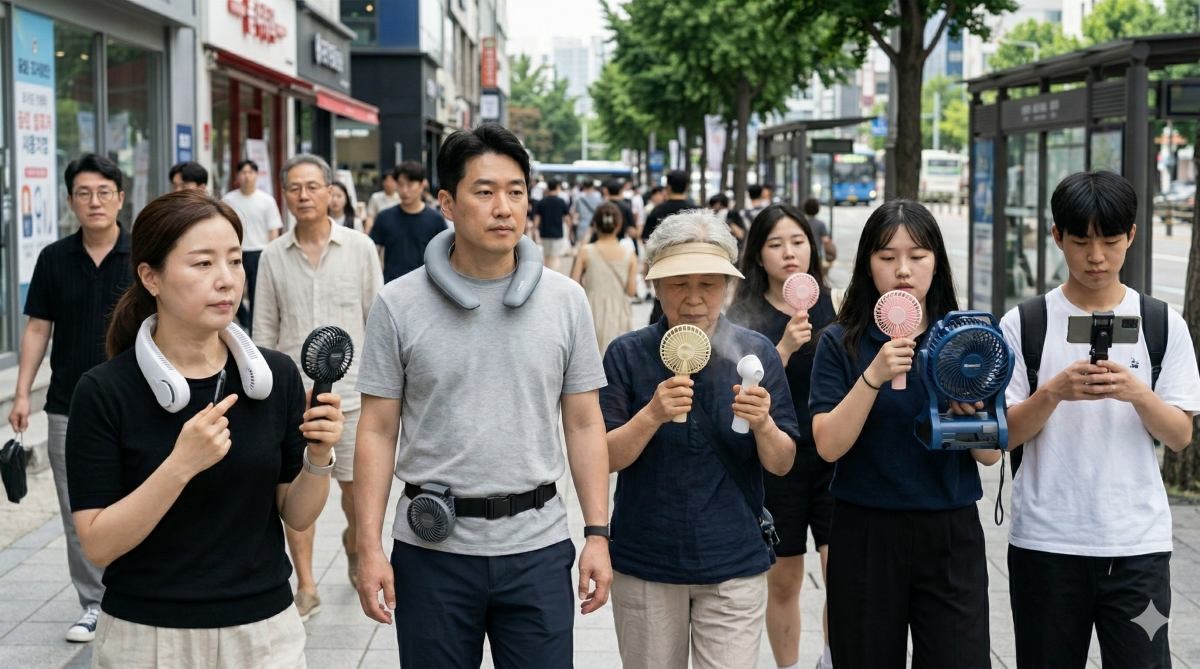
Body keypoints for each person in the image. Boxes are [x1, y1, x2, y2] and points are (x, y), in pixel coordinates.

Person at [353, 124, 613, 667]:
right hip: (431, 552)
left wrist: (596, 533)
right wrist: (369, 546)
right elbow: (376, 429)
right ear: (446, 202)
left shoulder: (567, 301)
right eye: (485, 191)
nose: (504, 208)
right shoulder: (397, 303)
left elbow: (585, 423)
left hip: (538, 548)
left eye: (516, 191)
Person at [65, 189, 345, 666]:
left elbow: (296, 515)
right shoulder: (104, 391)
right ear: (151, 277)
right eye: (202, 264)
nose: (227, 281)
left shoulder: (272, 376)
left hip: (264, 632)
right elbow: (97, 543)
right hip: (147, 636)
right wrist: (180, 465)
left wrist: (318, 459)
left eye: (235, 261)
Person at [1000, 171, 1200, 669]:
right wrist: (1054, 393)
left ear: (1131, 236)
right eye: (1080, 241)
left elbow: (1179, 436)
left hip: (1137, 546)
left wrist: (1137, 394)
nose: (1096, 257)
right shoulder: (1025, 323)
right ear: (1056, 237)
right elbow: (1003, 436)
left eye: (1111, 241)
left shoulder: (1160, 322)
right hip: (1046, 542)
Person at [601, 210, 798, 669]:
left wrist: (765, 424)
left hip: (733, 561)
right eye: (678, 284)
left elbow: (783, 462)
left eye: (708, 284)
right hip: (645, 560)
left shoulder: (756, 353)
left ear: (727, 287)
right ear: (654, 286)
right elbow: (604, 457)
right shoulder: (627, 355)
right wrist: (651, 415)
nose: (693, 300)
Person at [810, 199, 997, 668]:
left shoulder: (965, 337)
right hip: (865, 529)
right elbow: (828, 444)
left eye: (917, 256)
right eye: (887, 257)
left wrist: (964, 413)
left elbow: (991, 455)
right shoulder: (841, 341)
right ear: (867, 266)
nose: (903, 270)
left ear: (937, 262)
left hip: (949, 529)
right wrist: (872, 376)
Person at [253, 154, 383, 622]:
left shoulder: (361, 248)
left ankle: (354, 546)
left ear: (332, 192)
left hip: (350, 401)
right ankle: (305, 584)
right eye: (294, 188)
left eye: (313, 187)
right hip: (290, 405)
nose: (304, 196)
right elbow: (264, 331)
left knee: (354, 492)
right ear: (283, 195)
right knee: (293, 496)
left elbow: (378, 323)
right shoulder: (271, 256)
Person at [7, 154, 132, 643]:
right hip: (68, 404)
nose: (94, 201)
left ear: (121, 198)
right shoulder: (54, 258)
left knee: (140, 494)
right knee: (78, 505)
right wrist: (22, 393)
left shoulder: (143, 252)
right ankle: (96, 602)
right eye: (84, 193)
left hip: (138, 400)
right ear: (70, 202)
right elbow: (38, 326)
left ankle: (136, 590)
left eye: (104, 191)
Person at [726, 203, 836, 669]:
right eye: (776, 245)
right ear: (759, 254)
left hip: (834, 458)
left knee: (843, 573)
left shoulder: (836, 303)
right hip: (779, 463)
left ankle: (833, 657)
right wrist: (785, 348)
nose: (790, 254)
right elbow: (744, 393)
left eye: (798, 242)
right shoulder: (744, 316)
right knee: (785, 578)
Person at [221, 159, 283, 332]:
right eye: (243, 172)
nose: (247, 176)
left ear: (256, 175)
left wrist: (271, 253)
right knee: (232, 290)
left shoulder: (266, 200)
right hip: (236, 252)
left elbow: (273, 230)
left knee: (258, 292)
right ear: (237, 176)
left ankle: (256, 328)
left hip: (259, 252)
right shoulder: (228, 200)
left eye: (251, 172)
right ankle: (243, 319)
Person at [570, 201, 637, 353]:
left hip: (592, 310)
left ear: (595, 225)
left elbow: (574, 284)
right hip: (619, 311)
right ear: (619, 225)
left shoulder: (586, 251)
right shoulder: (629, 253)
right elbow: (631, 291)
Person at [369, 162, 446, 283]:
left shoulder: (435, 220)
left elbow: (444, 257)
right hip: (392, 286)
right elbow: (372, 253)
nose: (404, 190)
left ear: (421, 185)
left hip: (426, 286)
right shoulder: (384, 217)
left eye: (410, 185)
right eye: (400, 185)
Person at [640, 170, 693, 243]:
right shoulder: (696, 211)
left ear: (668, 187)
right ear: (687, 187)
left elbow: (645, 238)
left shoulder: (657, 211)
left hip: (663, 253)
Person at [533, 178, 572, 272]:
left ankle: (547, 276)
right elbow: (567, 218)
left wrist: (535, 232)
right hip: (557, 233)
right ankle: (554, 277)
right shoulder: (561, 201)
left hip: (544, 233)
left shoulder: (542, 201)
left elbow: (537, 220)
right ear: (557, 187)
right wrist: (570, 232)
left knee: (546, 257)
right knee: (555, 257)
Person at [802, 197, 837, 265]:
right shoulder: (820, 224)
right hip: (817, 254)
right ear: (817, 209)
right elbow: (825, 240)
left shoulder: (802, 222)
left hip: (804, 253)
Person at [570, 179, 603, 247]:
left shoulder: (578, 197)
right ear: (593, 186)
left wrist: (571, 230)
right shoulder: (598, 196)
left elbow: (574, 214)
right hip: (595, 227)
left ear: (583, 186)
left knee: (582, 247)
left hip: (582, 226)